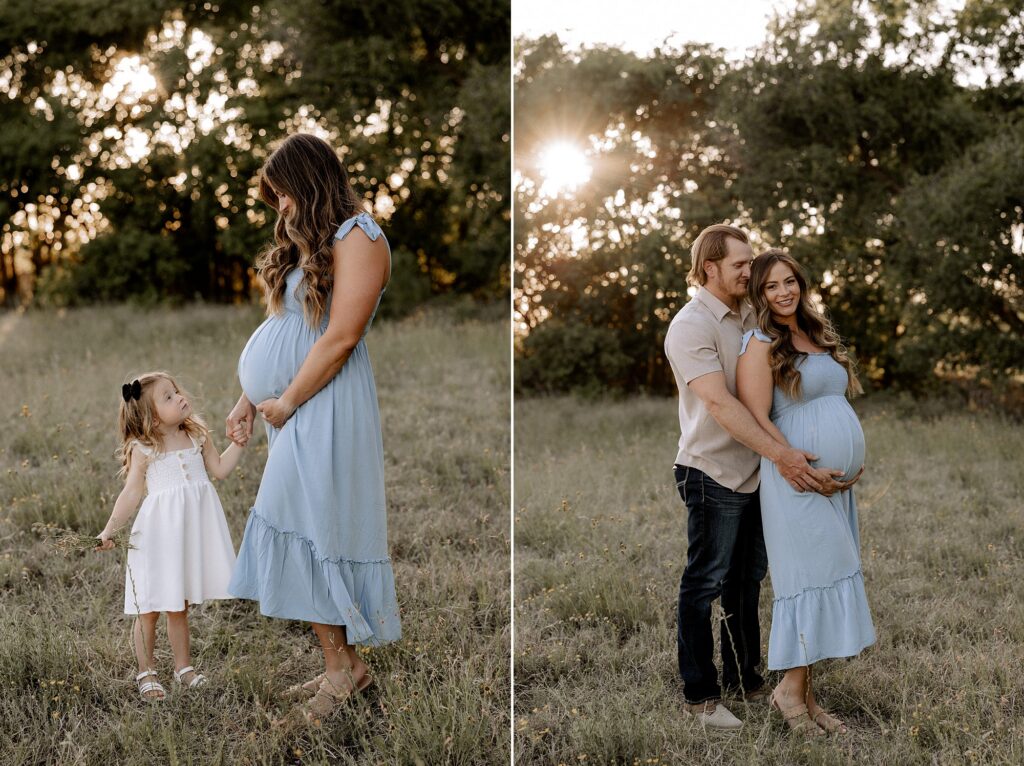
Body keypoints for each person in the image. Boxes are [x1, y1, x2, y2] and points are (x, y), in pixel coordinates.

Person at [224, 133, 401, 724]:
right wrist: (250, 397)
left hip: (323, 400)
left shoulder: (361, 236)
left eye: (283, 195)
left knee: (313, 527)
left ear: (308, 182)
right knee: (305, 526)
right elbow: (286, 327)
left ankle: (342, 673)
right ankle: (343, 665)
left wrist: (290, 398)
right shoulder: (315, 242)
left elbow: (341, 336)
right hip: (291, 402)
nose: (280, 208)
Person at [664, 224, 851, 730]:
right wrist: (788, 457)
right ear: (710, 268)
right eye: (742, 265)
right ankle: (701, 697)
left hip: (758, 471)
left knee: (747, 583)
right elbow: (722, 405)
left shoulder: (748, 313)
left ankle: (745, 681)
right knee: (705, 581)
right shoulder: (690, 325)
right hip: (714, 469)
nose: (752, 272)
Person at [737, 249, 874, 736]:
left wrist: (849, 453)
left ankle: (807, 698)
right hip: (794, 478)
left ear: (801, 282)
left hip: (832, 483)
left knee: (826, 573)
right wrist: (794, 462)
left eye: (789, 281)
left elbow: (833, 402)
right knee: (810, 578)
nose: (783, 292)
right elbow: (756, 417)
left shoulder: (814, 333)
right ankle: (789, 693)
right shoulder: (758, 343)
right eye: (771, 286)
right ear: (759, 293)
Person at [96, 372, 242, 701]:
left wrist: (240, 443)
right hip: (157, 536)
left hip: (186, 536)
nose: (179, 397)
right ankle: (146, 671)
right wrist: (109, 530)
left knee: (179, 605)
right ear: (150, 416)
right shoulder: (144, 448)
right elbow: (132, 493)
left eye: (175, 391)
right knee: (148, 608)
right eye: (168, 397)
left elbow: (218, 470)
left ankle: (183, 668)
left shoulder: (197, 436)